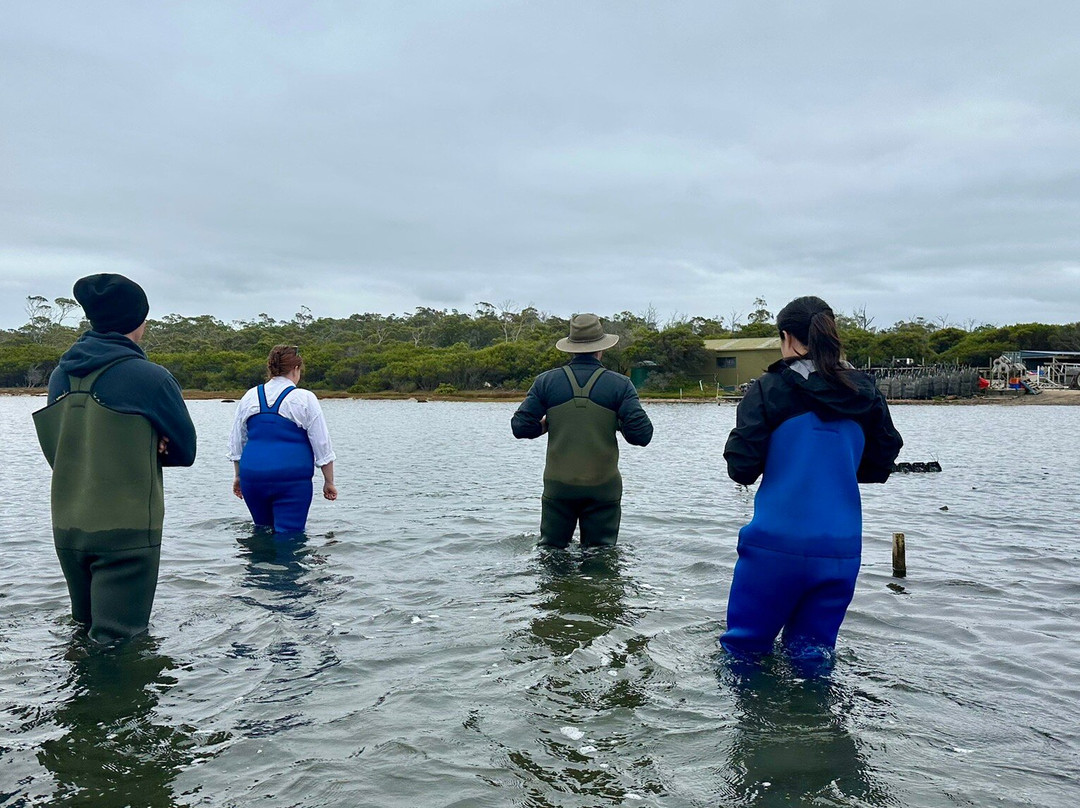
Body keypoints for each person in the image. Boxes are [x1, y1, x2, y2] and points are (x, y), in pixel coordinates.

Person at [721, 296, 903, 668]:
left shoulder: (769, 388)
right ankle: (818, 725)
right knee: (813, 657)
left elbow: (741, 468)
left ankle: (748, 728)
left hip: (774, 546)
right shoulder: (865, 391)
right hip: (840, 550)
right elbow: (880, 463)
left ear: (787, 337)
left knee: (743, 652)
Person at [33, 274, 197, 644]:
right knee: (120, 644)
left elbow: (62, 450)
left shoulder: (61, 375)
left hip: (68, 527)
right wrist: (150, 442)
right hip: (128, 532)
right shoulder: (150, 378)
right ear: (138, 321)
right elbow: (185, 451)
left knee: (82, 633)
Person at [511, 313, 653, 549]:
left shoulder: (546, 382)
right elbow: (642, 436)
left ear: (571, 349)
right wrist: (616, 422)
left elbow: (520, 427)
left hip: (558, 486)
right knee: (600, 556)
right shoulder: (620, 385)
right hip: (603, 487)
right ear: (602, 349)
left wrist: (544, 425)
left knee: (551, 554)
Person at [227, 345, 337, 534]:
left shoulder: (250, 396)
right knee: (290, 537)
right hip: (291, 480)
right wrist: (329, 481)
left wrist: (238, 476)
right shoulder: (304, 398)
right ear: (295, 369)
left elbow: (237, 442)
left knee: (261, 533)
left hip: (253, 477)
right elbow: (322, 445)